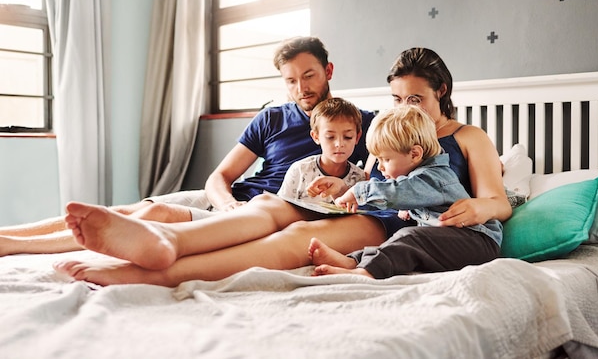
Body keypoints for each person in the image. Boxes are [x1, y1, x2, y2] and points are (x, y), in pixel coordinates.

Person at [52, 47, 512, 287]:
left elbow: (498, 203)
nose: (404, 108)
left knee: (292, 239)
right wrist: (333, 187)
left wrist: (478, 210)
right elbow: (367, 172)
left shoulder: (468, 137)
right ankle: (165, 241)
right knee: (267, 209)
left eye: (416, 99)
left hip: (383, 219)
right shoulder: (389, 129)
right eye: (396, 99)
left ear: (442, 91)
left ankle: (157, 272)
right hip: (352, 202)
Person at [0, 36, 374, 256]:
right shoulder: (272, 118)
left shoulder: (360, 124)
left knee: (154, 216)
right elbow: (221, 176)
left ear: (328, 71)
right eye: (290, 81)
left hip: (263, 213)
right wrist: (227, 202)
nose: (301, 88)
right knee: (133, 207)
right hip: (233, 200)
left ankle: (20, 249)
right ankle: (8, 235)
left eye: (308, 76)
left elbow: (390, 171)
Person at [308, 105, 502, 279]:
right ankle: (353, 261)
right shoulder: (419, 178)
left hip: (478, 242)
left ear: (415, 154)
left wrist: (359, 191)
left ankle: (365, 272)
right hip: (455, 241)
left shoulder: (434, 177)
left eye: (385, 160)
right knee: (397, 241)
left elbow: (398, 191)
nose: (381, 168)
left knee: (410, 237)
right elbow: (415, 194)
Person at [277, 97, 366, 203]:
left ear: (357, 137)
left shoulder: (360, 179)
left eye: (348, 137)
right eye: (330, 137)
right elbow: (282, 207)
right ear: (316, 137)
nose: (339, 144)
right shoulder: (300, 170)